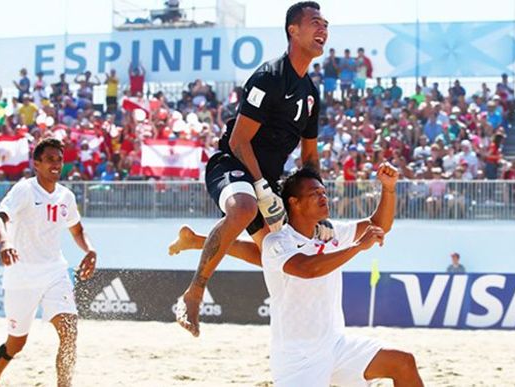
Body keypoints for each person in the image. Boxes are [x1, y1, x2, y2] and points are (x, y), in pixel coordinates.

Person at [174, 1, 329, 337]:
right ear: (293, 30)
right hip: (232, 165)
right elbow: (239, 142)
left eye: (326, 24)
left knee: (273, 257)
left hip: (267, 181)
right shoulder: (269, 77)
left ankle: (196, 241)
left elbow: (311, 158)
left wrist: (317, 208)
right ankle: (195, 291)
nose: (323, 29)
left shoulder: (311, 93)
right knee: (244, 208)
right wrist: (260, 186)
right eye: (315, 22)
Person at [262, 166, 423, 386]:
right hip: (298, 357)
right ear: (294, 202)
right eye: (314, 194)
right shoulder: (277, 242)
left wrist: (388, 189)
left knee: (403, 362)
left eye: (324, 192)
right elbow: (307, 269)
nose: (323, 197)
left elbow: (379, 225)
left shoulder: (332, 233)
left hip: (336, 345)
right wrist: (357, 247)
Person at [0, 138, 97, 387]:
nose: (56, 164)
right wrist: (5, 243)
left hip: (54, 272)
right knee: (16, 343)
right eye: (50, 159)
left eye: (59, 159)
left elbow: (78, 231)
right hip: (21, 276)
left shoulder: (65, 196)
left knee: (69, 331)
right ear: (36, 163)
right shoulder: (25, 189)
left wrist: (90, 250)